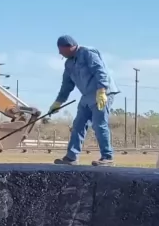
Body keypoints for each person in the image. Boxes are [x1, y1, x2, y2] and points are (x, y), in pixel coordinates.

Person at [49, 35, 120, 166]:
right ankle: (71, 157)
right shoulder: (69, 63)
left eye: (61, 50)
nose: (59, 53)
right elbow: (66, 85)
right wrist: (58, 102)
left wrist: (102, 90)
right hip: (87, 96)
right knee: (78, 125)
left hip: (102, 93)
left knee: (99, 125)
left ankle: (107, 157)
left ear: (69, 47)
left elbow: (100, 70)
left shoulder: (87, 53)